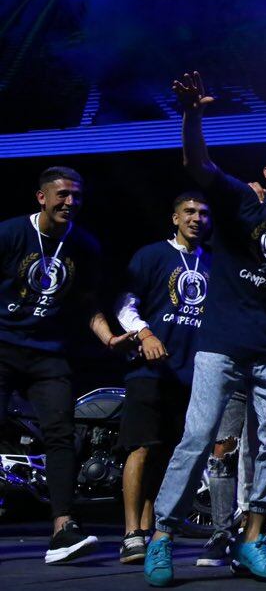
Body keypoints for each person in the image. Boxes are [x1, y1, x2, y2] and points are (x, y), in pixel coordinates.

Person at [143, 72, 266, 586]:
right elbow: (197, 163)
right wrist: (192, 115)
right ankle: (161, 536)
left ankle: (253, 537)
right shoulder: (239, 203)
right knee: (199, 437)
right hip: (222, 344)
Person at [0, 166, 134, 564]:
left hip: (48, 352)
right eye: (62, 195)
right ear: (42, 197)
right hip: (3, 344)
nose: (70, 202)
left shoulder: (85, 245)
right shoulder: (9, 233)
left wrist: (109, 337)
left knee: (61, 435)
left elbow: (87, 303)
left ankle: (62, 529)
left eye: (76, 195)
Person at [115, 192, 212, 564]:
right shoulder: (153, 254)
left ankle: (148, 526)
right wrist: (145, 334)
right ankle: (130, 533)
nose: (196, 218)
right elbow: (124, 301)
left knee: (170, 456)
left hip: (192, 373)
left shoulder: (215, 263)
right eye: (188, 212)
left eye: (203, 213)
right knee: (141, 448)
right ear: (174, 218)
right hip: (150, 370)